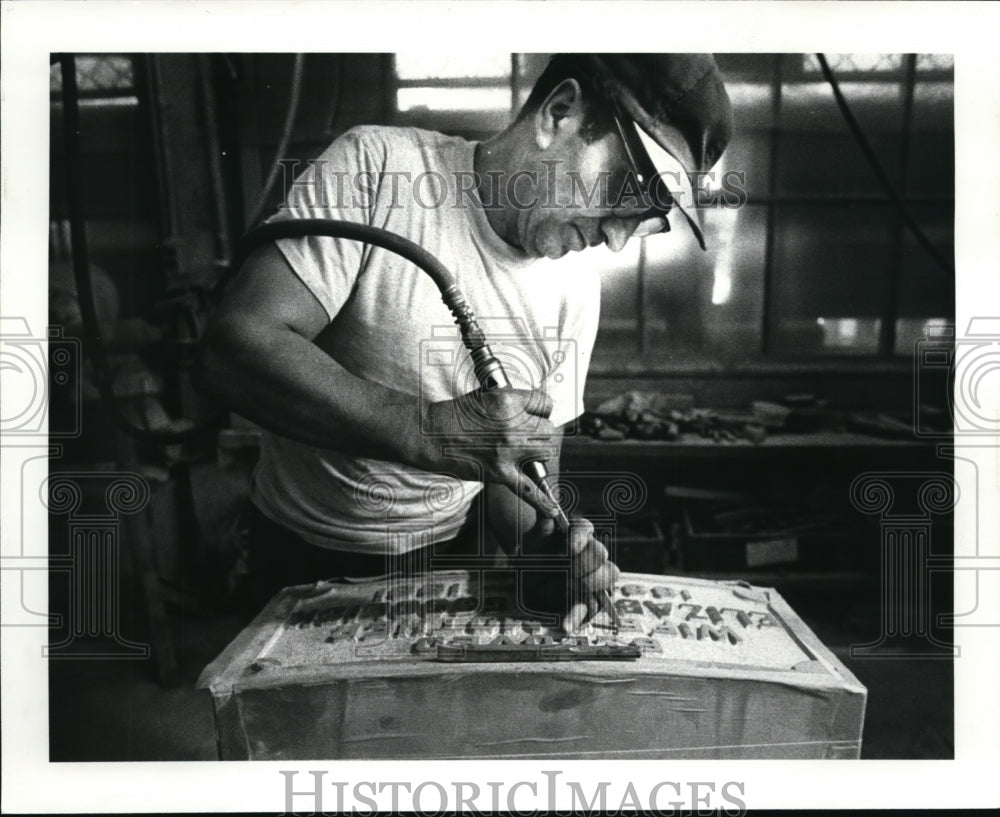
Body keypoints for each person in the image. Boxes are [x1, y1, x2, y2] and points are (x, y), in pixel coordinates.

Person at [199, 54, 732, 629]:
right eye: (630, 188)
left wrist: (547, 552)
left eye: (648, 217)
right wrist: (426, 430)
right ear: (560, 112)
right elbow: (234, 350)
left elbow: (519, 468)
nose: (619, 238)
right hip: (299, 550)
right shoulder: (381, 170)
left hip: (447, 559)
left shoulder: (576, 287)